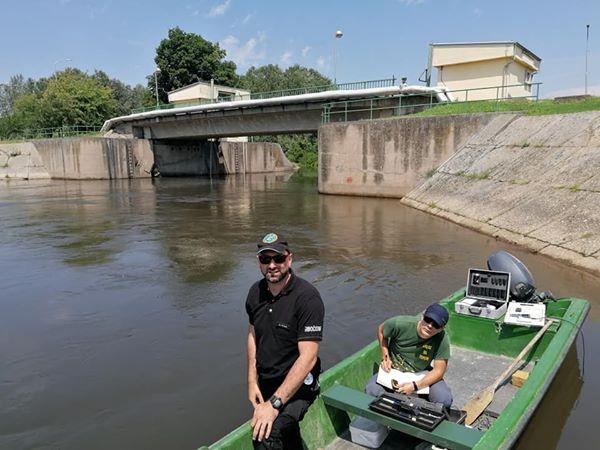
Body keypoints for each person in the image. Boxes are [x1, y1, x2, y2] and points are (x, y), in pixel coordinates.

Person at [245, 232, 325, 449]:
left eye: (278, 258)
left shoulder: (307, 298)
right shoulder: (255, 292)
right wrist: (252, 381)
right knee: (287, 436)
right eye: (265, 259)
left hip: (300, 387)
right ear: (259, 262)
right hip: (267, 381)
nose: (272, 265)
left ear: (289, 259)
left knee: (266, 435)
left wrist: (275, 403)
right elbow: (253, 334)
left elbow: (309, 357)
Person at [365, 303, 453, 407]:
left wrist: (415, 386)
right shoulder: (401, 323)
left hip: (421, 373)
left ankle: (420, 405)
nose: (430, 326)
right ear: (423, 317)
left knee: (444, 400)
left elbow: (439, 370)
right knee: (371, 390)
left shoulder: (442, 339)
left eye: (436, 325)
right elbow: (381, 329)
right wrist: (385, 356)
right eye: (428, 320)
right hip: (393, 370)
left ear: (442, 328)